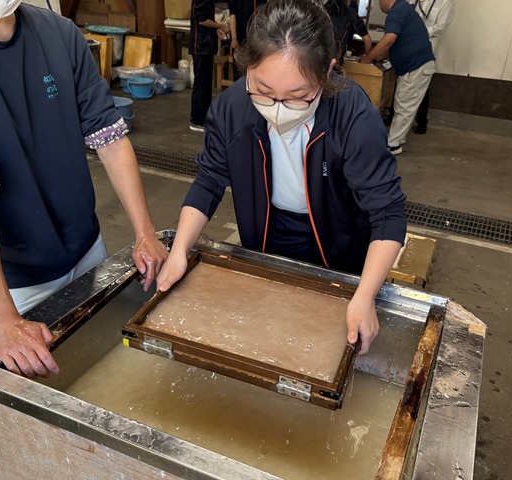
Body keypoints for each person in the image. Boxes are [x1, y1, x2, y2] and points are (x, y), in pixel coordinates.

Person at [0, 0, 168, 477]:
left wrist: (144, 233)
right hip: (12, 286)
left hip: (87, 256)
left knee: (93, 382)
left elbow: (111, 138)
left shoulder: (59, 33)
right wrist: (4, 320)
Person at [157, 0, 407, 356]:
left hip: (341, 247)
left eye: (298, 97)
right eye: (263, 91)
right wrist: (180, 250)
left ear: (328, 71)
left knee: (331, 348)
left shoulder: (352, 114)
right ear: (247, 66)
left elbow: (387, 213)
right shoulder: (231, 109)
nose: (276, 109)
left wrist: (365, 295)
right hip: (265, 239)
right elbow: (209, 181)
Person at [359, 0, 434, 154]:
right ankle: (397, 139)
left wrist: (368, 58)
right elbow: (393, 44)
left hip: (416, 66)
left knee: (404, 105)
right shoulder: (403, 9)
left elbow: (389, 39)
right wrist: (377, 57)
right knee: (404, 104)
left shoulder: (397, 11)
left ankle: (393, 145)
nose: (379, 5)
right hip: (416, 66)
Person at [408, 0, 454, 134]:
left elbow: (440, 26)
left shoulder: (445, 2)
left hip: (426, 48)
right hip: (407, 45)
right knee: (401, 79)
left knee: (422, 85)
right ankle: (394, 114)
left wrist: (419, 31)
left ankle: (421, 121)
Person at [189, 0, 230, 132]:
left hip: (205, 45)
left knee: (205, 85)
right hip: (201, 46)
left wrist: (216, 29)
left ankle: (203, 118)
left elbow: (206, 19)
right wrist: (220, 25)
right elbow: (202, 20)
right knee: (201, 85)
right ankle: (197, 120)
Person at [321, 0, 372, 65]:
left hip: (317, 61)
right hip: (336, 63)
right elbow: (367, 40)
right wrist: (367, 58)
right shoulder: (350, 13)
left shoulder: (320, 10)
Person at [227, 0, 267, 78]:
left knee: (256, 68)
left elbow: (264, 13)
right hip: (241, 38)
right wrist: (234, 38)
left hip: (258, 38)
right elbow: (232, 14)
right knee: (240, 70)